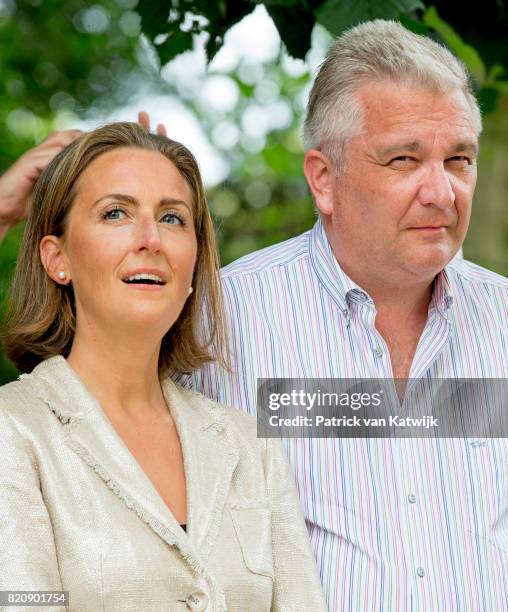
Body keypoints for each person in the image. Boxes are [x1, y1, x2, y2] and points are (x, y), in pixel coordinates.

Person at [192, 20, 508, 612]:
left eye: (459, 159)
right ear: (323, 179)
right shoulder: (220, 325)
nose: (441, 192)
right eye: (404, 159)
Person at [0, 122, 326, 611]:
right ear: (57, 258)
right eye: (116, 213)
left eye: (172, 219)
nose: (150, 238)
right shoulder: (15, 431)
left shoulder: (248, 444)